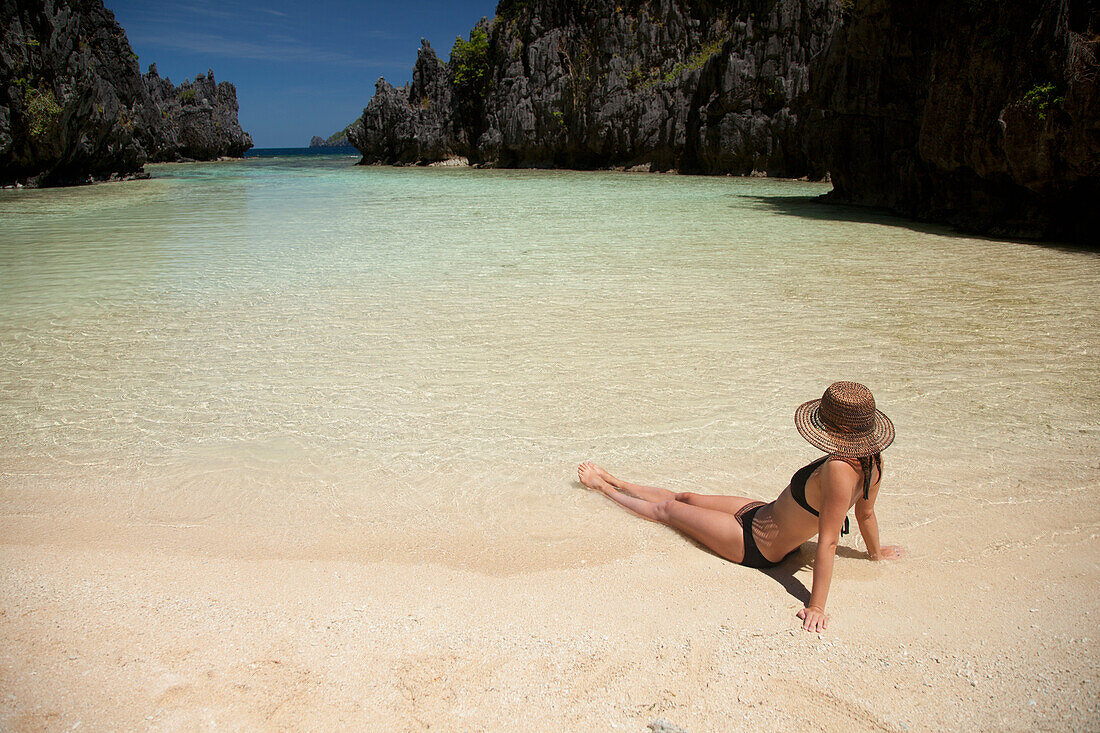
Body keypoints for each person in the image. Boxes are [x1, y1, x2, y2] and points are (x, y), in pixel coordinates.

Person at [578, 381, 903, 632]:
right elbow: (866, 513)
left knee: (667, 512)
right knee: (685, 497)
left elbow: (829, 541)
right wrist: (875, 554)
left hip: (756, 545)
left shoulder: (839, 471)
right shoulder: (873, 460)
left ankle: (602, 488)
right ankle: (618, 481)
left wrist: (816, 606)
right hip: (762, 512)